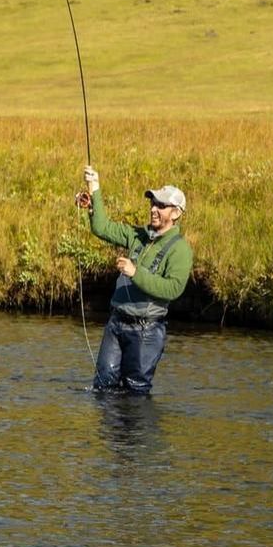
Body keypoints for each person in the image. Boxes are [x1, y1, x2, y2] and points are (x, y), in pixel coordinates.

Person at [75, 166, 193, 395]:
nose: (154, 209)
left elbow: (173, 289)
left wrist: (135, 272)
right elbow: (102, 227)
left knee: (135, 394)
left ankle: (134, 433)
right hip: (116, 324)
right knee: (102, 389)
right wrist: (95, 188)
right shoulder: (139, 235)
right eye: (152, 203)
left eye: (161, 205)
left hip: (146, 331)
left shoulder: (180, 249)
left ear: (176, 213)